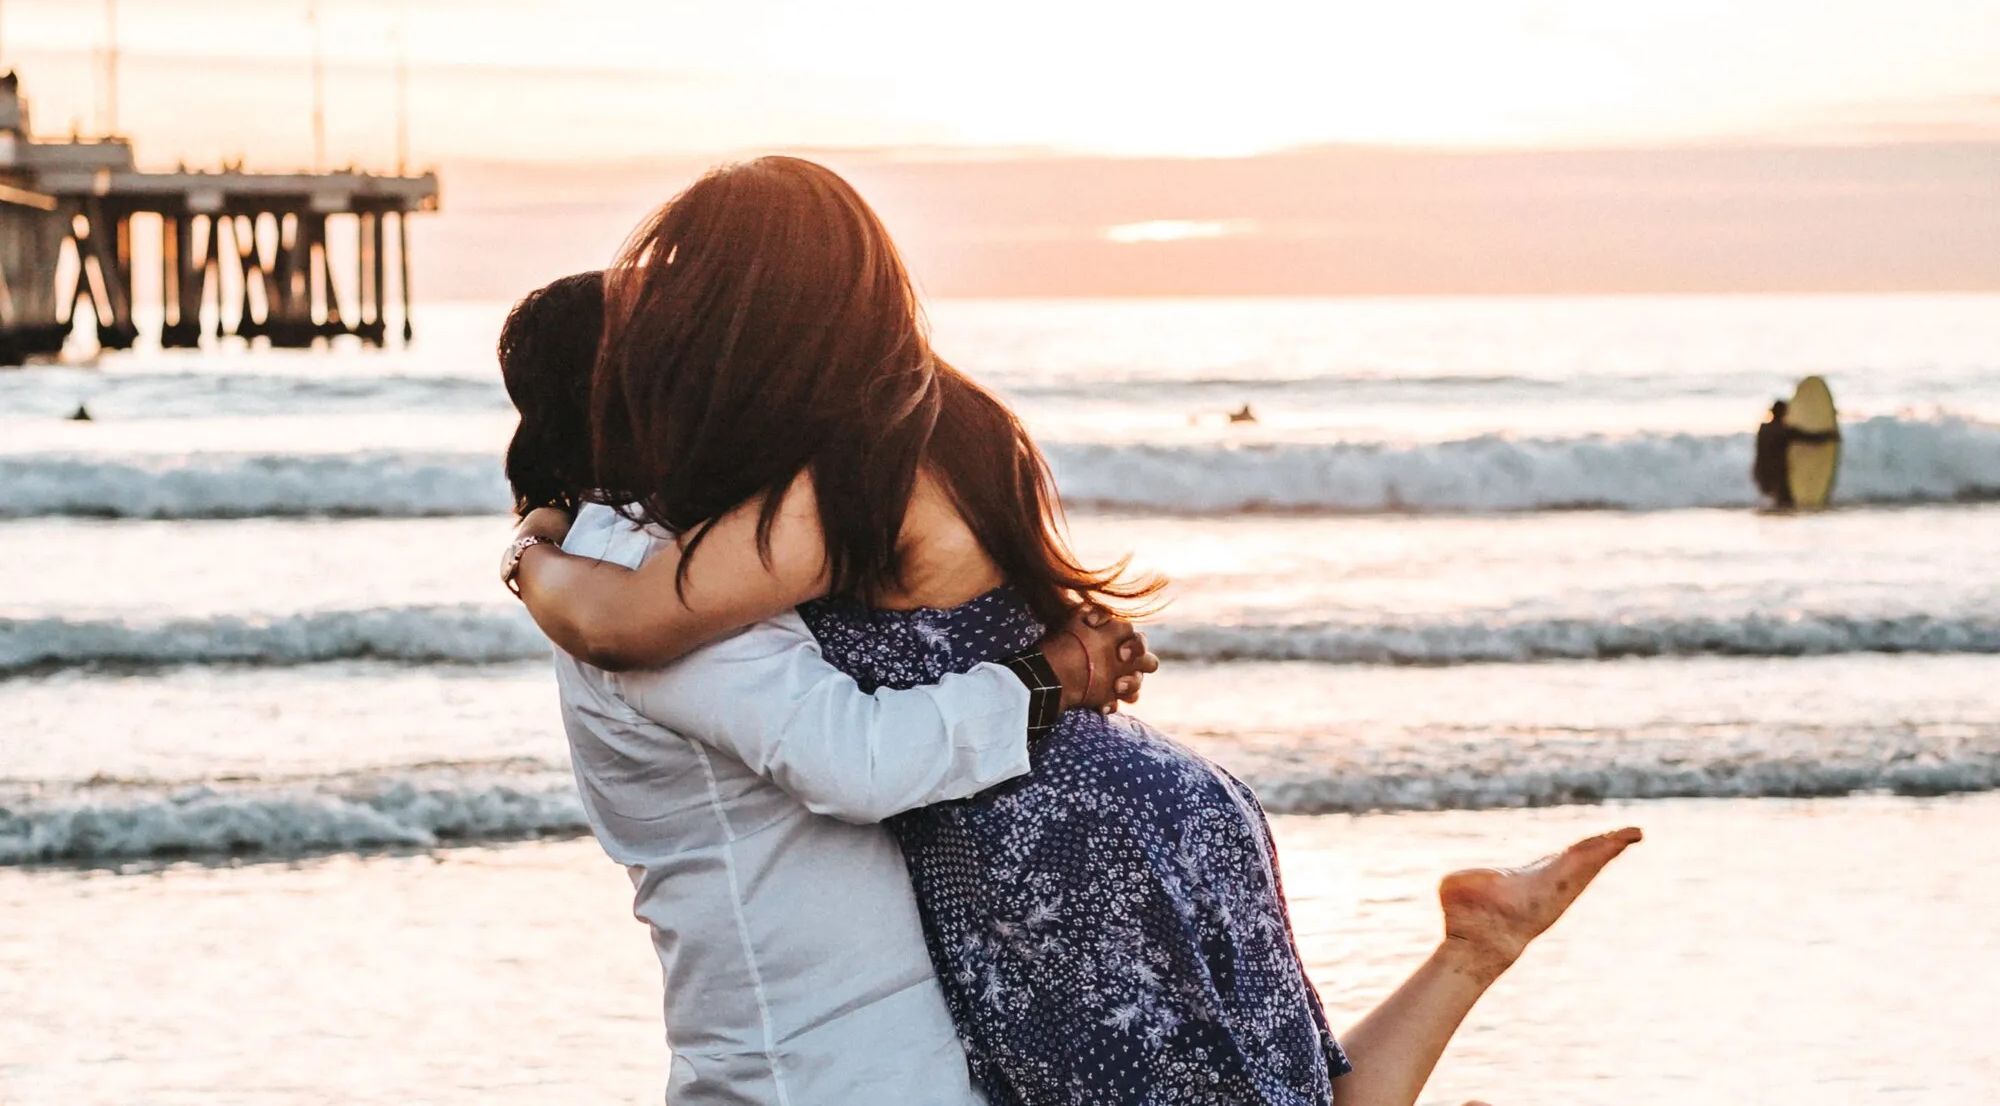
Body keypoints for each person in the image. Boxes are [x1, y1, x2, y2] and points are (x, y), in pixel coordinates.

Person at [509, 157, 1641, 1106]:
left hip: (1043, 842)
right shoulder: (942, 413)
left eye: (698, 299)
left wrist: (529, 556)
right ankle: (1472, 950)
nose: (681, 334)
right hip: (1134, 796)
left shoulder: (835, 474)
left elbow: (626, 622)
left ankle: (1473, 954)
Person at [497, 271, 1159, 1104]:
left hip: (820, 1039)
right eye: (686, 342)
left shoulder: (648, 552)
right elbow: (856, 761)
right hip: (824, 1058)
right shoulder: (634, 559)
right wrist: (1049, 677)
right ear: (639, 383)